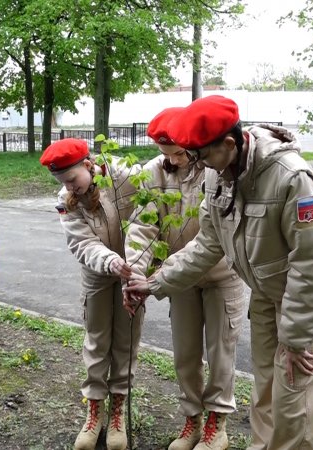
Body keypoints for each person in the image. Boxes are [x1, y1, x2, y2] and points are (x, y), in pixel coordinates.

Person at [124, 96, 313, 450]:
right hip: (265, 293)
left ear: (230, 143)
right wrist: (154, 282)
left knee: (294, 400)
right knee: (265, 389)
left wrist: (295, 338)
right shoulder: (217, 177)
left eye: (201, 155)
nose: (196, 164)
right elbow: (206, 245)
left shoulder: (290, 177)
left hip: (307, 299)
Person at [125, 108, 246, 450]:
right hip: (178, 279)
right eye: (167, 155)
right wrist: (135, 270)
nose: (175, 161)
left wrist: (163, 274)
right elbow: (142, 226)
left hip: (222, 274)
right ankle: (192, 419)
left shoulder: (213, 169)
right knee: (185, 352)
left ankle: (216, 425)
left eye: (180, 153)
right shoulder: (152, 173)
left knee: (221, 351)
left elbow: (212, 239)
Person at [39, 138, 141, 450]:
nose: (69, 188)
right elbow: (80, 243)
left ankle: (118, 412)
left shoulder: (124, 177)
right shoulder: (66, 199)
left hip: (133, 271)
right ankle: (95, 409)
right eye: (62, 183)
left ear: (88, 165)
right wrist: (110, 261)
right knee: (97, 341)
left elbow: (145, 217)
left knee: (125, 340)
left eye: (71, 180)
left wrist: (135, 263)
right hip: (98, 274)